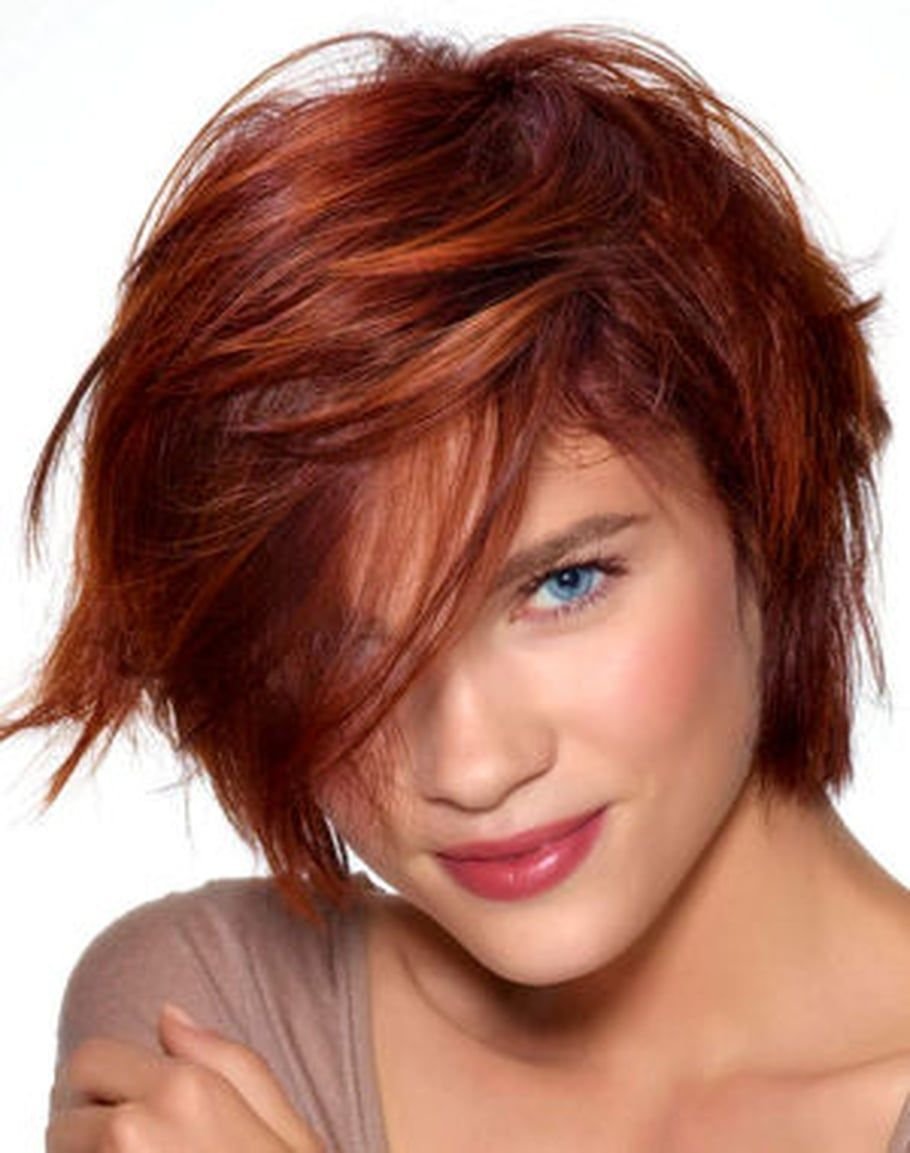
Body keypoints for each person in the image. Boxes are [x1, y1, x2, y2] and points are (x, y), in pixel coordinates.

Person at [3, 25, 909, 1153]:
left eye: (565, 583)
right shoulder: (219, 1018)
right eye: (342, 648)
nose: (470, 768)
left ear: (766, 506)